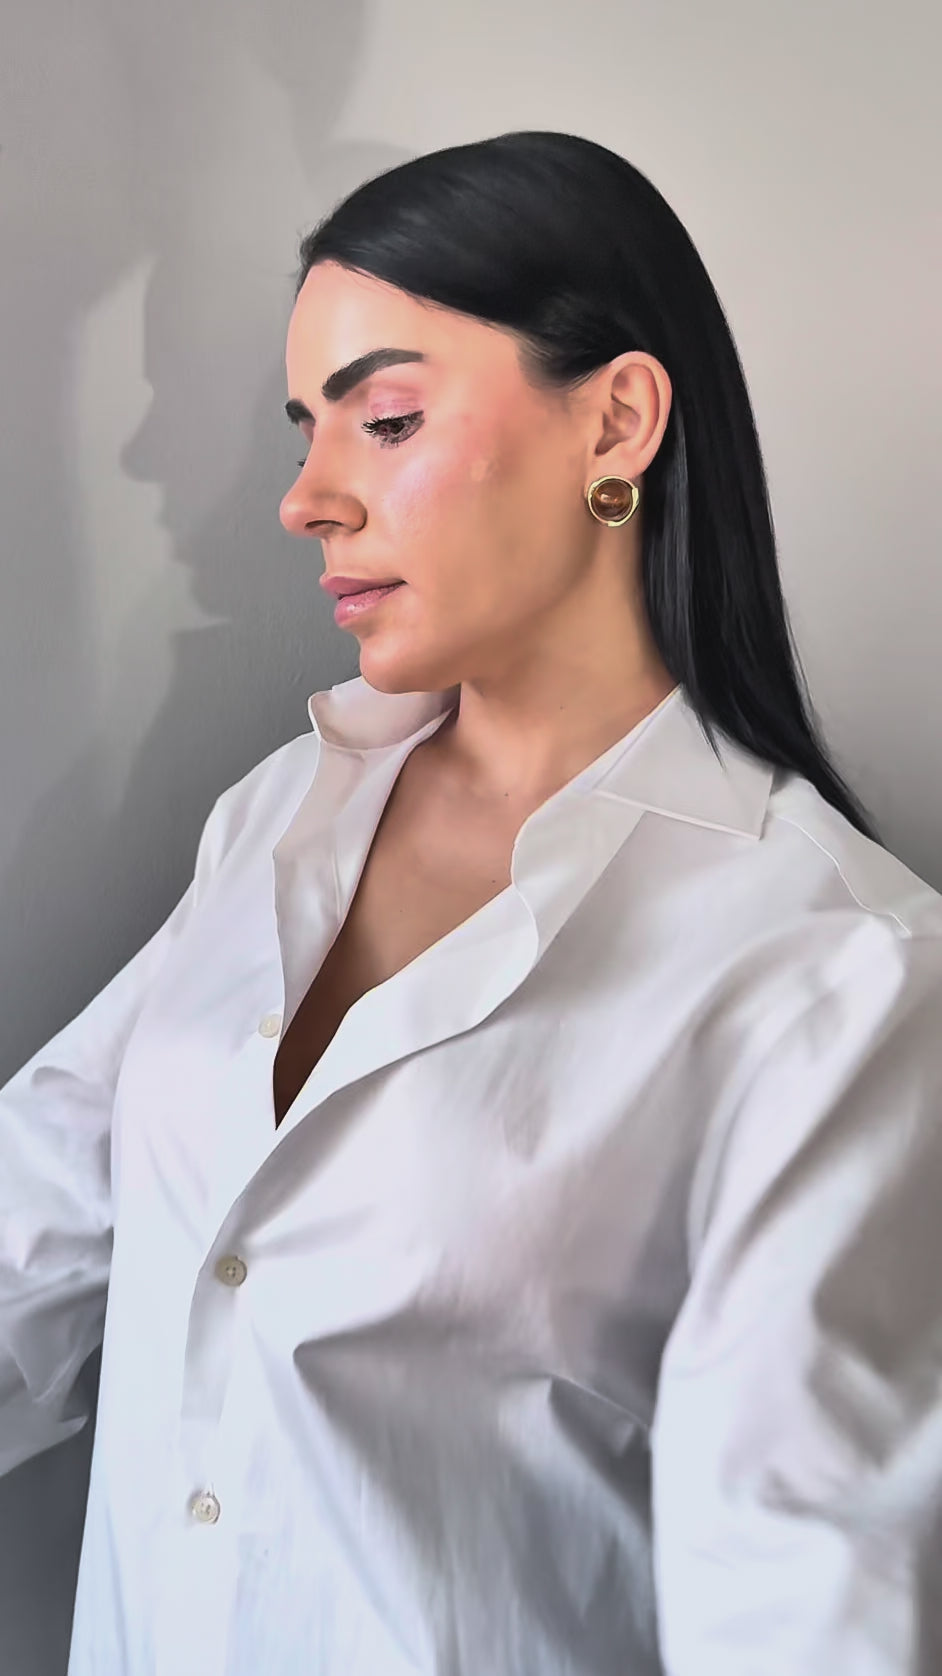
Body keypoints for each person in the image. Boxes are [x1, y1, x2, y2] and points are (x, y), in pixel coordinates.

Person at [2, 129, 941, 1676]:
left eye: (382, 419)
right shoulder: (279, 816)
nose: (305, 499)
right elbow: (37, 1227)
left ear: (615, 422)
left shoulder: (832, 971)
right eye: (304, 431)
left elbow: (800, 1603)